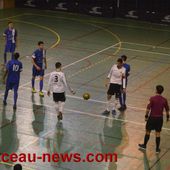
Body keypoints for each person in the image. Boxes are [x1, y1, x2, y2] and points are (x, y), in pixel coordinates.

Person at [138, 85, 169, 153]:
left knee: (148, 131)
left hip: (152, 118)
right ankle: (157, 149)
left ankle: (144, 145)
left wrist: (146, 116)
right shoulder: (164, 100)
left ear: (156, 90)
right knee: (158, 133)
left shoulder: (152, 98)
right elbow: (167, 109)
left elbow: (148, 108)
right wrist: (167, 117)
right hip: (159, 119)